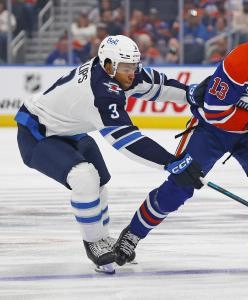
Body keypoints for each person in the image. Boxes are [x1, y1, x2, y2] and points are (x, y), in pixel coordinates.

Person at [114, 17, 248, 273]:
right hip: (213, 131)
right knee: (180, 185)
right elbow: (215, 112)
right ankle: (132, 234)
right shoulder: (237, 63)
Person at [14, 35, 204, 274]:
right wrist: (170, 162)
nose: (132, 73)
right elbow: (127, 140)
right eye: (126, 68)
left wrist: (189, 93)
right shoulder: (101, 92)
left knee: (99, 182)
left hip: (67, 131)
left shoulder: (116, 71)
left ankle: (103, 238)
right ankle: (93, 242)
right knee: (84, 178)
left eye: (134, 66)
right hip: (37, 134)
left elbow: (155, 86)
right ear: (107, 65)